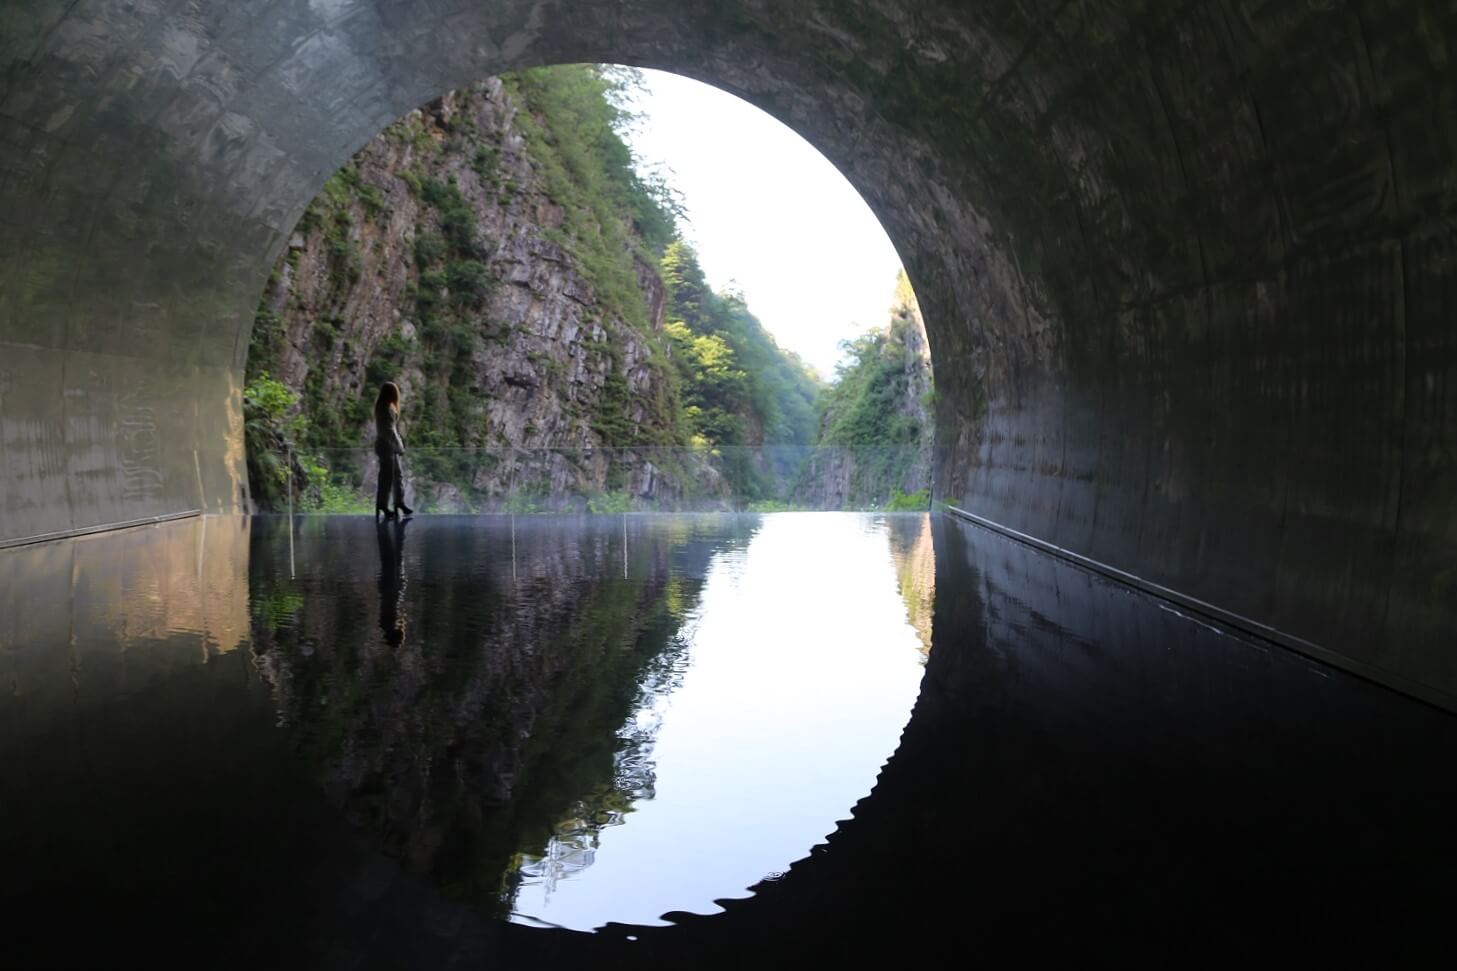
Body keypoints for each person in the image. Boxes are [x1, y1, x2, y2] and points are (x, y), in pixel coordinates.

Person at [374, 381, 413, 519]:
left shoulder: (381, 407)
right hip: (387, 446)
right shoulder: (387, 408)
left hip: (385, 445)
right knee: (388, 478)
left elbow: (388, 430)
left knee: (395, 476)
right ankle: (385, 506)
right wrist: (399, 446)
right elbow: (390, 431)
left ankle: (397, 503)